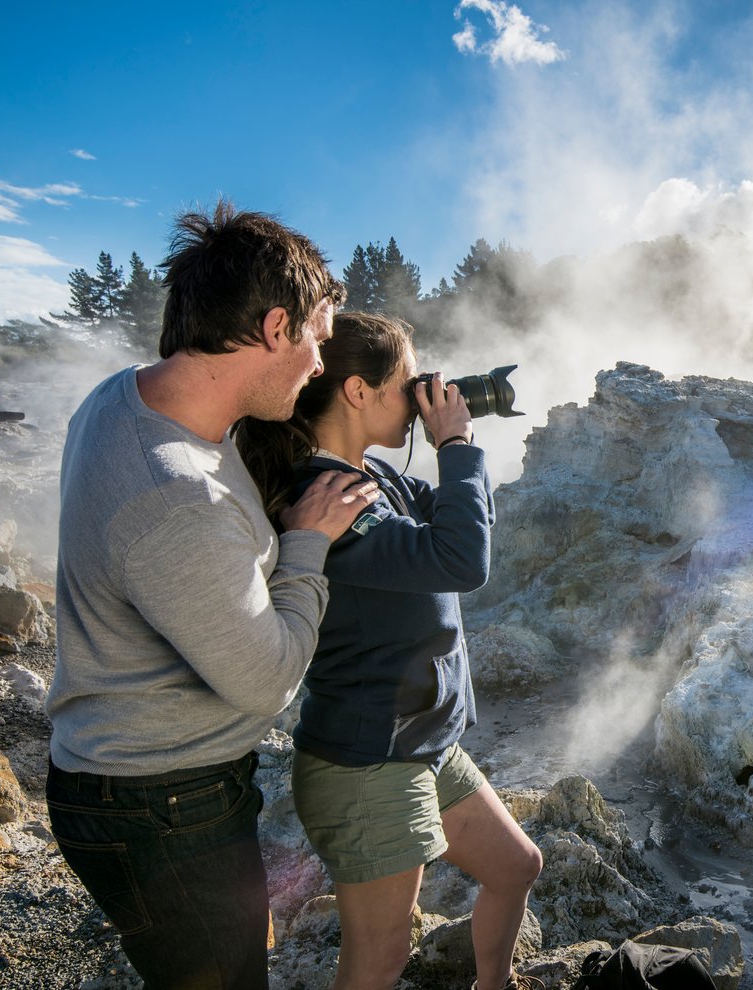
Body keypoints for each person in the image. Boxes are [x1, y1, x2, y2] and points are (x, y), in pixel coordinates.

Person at [46, 202, 381, 990]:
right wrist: (307, 542)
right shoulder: (176, 501)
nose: (318, 367)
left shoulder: (127, 395)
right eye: (316, 340)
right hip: (160, 803)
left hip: (129, 782)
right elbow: (267, 680)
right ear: (274, 328)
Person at [234, 311, 543, 990]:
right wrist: (456, 442)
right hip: (370, 763)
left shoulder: (375, 477)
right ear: (357, 391)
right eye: (408, 381)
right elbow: (461, 559)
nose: (418, 393)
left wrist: (457, 441)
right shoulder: (330, 497)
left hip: (424, 745)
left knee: (518, 866)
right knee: (377, 962)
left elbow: (465, 517)